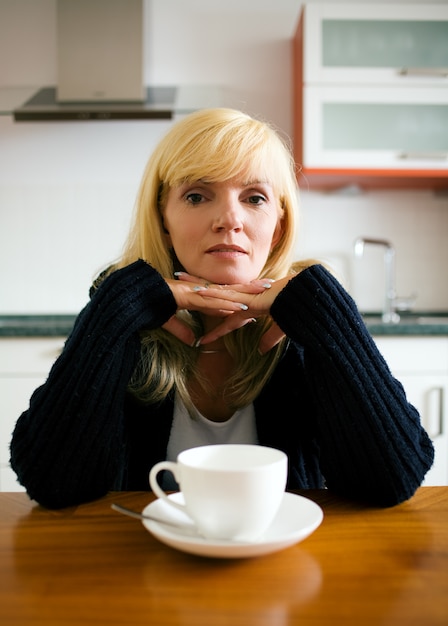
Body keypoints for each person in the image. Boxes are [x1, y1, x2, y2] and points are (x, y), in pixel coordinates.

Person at [10, 108, 433, 510]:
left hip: (285, 564)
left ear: (279, 223)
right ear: (163, 217)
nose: (229, 219)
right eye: (196, 196)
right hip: (142, 563)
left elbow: (390, 482)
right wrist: (117, 310)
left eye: (254, 198)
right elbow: (53, 482)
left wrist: (325, 316)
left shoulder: (307, 321)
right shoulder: (123, 311)